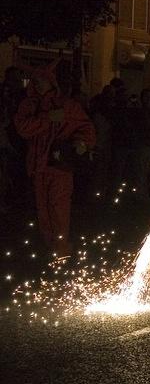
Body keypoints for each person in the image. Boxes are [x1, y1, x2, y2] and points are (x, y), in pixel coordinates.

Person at [14, 61, 95, 256]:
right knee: (43, 209)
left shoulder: (68, 105)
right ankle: (49, 247)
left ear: (51, 82)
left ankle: (61, 249)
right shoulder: (29, 104)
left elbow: (86, 128)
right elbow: (23, 129)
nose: (39, 84)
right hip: (38, 166)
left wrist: (82, 143)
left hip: (60, 166)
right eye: (36, 80)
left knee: (59, 207)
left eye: (42, 80)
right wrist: (47, 118)